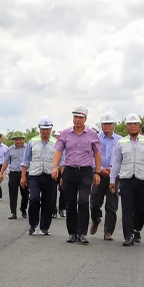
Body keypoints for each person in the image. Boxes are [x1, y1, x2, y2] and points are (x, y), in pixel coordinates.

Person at [52, 105, 102, 245]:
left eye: (80, 117)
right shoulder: (66, 133)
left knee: (84, 201)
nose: (77, 120)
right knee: (71, 203)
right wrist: (55, 167)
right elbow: (58, 151)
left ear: (85, 118)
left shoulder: (92, 134)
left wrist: (97, 172)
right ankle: (72, 233)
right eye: (75, 117)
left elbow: (97, 154)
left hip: (86, 171)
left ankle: (83, 233)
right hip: (69, 171)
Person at [110, 113, 144, 246]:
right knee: (126, 208)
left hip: (142, 178)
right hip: (126, 179)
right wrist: (112, 180)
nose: (132, 127)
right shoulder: (121, 143)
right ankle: (128, 235)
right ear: (126, 127)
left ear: (139, 126)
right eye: (129, 124)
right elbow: (116, 162)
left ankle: (137, 228)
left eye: (135, 124)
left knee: (141, 208)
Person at [22, 116, 58, 236]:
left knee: (48, 202)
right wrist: (23, 176)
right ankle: (33, 224)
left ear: (51, 129)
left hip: (50, 176)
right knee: (34, 198)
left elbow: (62, 160)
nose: (45, 131)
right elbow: (26, 160)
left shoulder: (56, 143)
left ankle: (44, 226)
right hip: (35, 175)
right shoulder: (32, 142)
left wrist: (62, 176)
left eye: (48, 129)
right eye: (43, 129)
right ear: (39, 128)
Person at [90, 112, 121, 240]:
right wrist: (100, 169)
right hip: (99, 174)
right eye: (104, 124)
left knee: (111, 204)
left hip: (114, 175)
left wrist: (113, 170)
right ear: (101, 125)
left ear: (113, 125)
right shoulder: (95, 138)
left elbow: (122, 158)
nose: (107, 126)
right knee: (95, 202)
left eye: (109, 124)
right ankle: (96, 219)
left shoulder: (120, 140)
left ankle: (108, 231)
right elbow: (90, 156)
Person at [0, 134, 29, 219]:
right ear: (14, 140)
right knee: (13, 194)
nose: (18, 141)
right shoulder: (10, 149)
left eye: (20, 139)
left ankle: (23, 209)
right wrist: (1, 173)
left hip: (25, 173)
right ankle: (13, 212)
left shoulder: (28, 148)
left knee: (25, 194)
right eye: (16, 140)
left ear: (23, 140)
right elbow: (6, 162)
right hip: (13, 173)